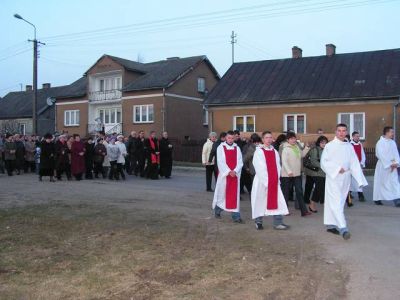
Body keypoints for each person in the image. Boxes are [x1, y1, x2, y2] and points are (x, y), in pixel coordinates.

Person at [321, 124, 368, 240]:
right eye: (339, 131)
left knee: (340, 201)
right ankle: (343, 228)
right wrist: (337, 169)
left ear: (346, 132)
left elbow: (354, 163)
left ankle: (332, 224)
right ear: (335, 132)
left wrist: (359, 180)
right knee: (336, 201)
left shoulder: (348, 146)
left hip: (346, 178)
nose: (341, 133)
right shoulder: (329, 146)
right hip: (334, 178)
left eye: (343, 131)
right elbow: (324, 162)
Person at [251, 131, 290, 230]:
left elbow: (278, 167)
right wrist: (267, 182)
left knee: (277, 201)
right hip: (262, 182)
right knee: (260, 201)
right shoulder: (259, 151)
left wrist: (276, 179)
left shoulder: (275, 151)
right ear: (263, 139)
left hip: (274, 181)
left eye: (270, 137)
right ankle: (258, 222)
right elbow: (259, 168)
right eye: (266, 137)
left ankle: (278, 222)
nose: (269, 139)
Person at [212, 131, 243, 223]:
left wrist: (235, 171)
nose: (230, 140)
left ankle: (236, 217)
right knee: (223, 195)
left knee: (234, 196)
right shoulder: (220, 147)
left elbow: (240, 161)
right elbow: (220, 161)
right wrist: (228, 171)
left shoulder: (237, 148)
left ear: (234, 138)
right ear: (226, 138)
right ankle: (217, 210)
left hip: (235, 176)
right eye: (229, 138)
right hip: (224, 176)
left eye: (232, 138)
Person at [280, 132, 311, 216]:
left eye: (294, 138)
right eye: (291, 139)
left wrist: (307, 147)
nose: (293, 140)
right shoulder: (285, 148)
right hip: (287, 175)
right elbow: (284, 161)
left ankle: (304, 211)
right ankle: (284, 210)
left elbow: (301, 155)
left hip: (297, 173)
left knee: (299, 192)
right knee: (285, 192)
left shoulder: (296, 147)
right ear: (287, 140)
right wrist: (289, 171)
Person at [373, 126, 400, 207]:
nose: (393, 134)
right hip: (383, 166)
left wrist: (396, 163)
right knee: (381, 183)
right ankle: (377, 198)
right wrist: (389, 164)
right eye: (391, 132)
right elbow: (380, 155)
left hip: (393, 166)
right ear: (386, 132)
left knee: (394, 182)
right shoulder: (380, 143)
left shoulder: (392, 142)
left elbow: (396, 154)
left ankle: (397, 199)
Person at [306, 136, 328, 213]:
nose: (324, 144)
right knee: (321, 188)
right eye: (322, 142)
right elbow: (313, 162)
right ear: (319, 143)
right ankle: (325, 204)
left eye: (325, 142)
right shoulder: (315, 150)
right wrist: (325, 166)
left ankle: (312, 204)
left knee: (318, 189)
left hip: (324, 173)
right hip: (316, 173)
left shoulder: (326, 150)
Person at [350, 131, 367, 202]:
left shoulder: (360, 144)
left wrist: (362, 163)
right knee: (351, 181)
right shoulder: (350, 145)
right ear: (353, 137)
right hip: (352, 166)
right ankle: (349, 194)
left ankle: (361, 195)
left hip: (359, 165)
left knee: (359, 180)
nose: (358, 137)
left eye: (358, 136)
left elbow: (362, 154)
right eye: (356, 136)